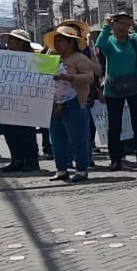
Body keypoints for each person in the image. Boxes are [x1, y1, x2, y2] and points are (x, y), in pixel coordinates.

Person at [96, 13, 137, 171]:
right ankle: (116, 159)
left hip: (136, 87)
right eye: (118, 23)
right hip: (113, 89)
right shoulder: (109, 42)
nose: (122, 26)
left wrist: (135, 24)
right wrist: (106, 26)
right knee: (114, 125)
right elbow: (99, 43)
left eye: (125, 23)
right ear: (113, 26)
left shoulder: (135, 40)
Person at [49, 23, 100, 182]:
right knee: (57, 140)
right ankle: (61, 169)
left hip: (74, 103)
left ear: (71, 42)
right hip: (54, 104)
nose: (57, 44)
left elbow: (89, 78)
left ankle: (81, 169)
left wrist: (67, 77)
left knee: (78, 138)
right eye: (56, 41)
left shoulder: (80, 58)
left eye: (61, 41)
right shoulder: (52, 59)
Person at [0, 30, 44, 173]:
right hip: (8, 99)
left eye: (11, 40)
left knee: (26, 131)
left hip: (27, 100)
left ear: (20, 42)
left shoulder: (35, 58)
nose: (8, 43)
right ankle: (17, 159)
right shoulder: (3, 58)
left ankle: (32, 161)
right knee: (10, 131)